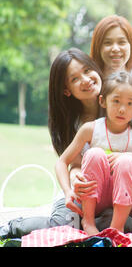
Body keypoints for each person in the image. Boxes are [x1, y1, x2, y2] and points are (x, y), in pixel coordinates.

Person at [0, 48, 105, 239]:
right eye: (74, 79)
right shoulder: (72, 123)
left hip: (108, 197)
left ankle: (79, 229)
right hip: (81, 194)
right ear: (66, 91)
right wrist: (71, 185)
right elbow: (72, 164)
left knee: (123, 222)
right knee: (65, 222)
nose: (86, 79)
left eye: (87, 70)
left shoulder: (120, 105)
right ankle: (14, 227)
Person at [55, 71, 132, 235]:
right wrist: (67, 191)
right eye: (116, 101)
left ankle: (117, 226)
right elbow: (62, 162)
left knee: (126, 161)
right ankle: (88, 221)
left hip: (129, 201)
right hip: (97, 198)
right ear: (103, 101)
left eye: (129, 104)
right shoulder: (90, 129)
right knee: (94, 154)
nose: (122, 109)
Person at [90, 15, 132, 131]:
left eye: (122, 42)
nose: (115, 48)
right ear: (98, 47)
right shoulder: (90, 80)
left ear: (131, 45)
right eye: (107, 43)